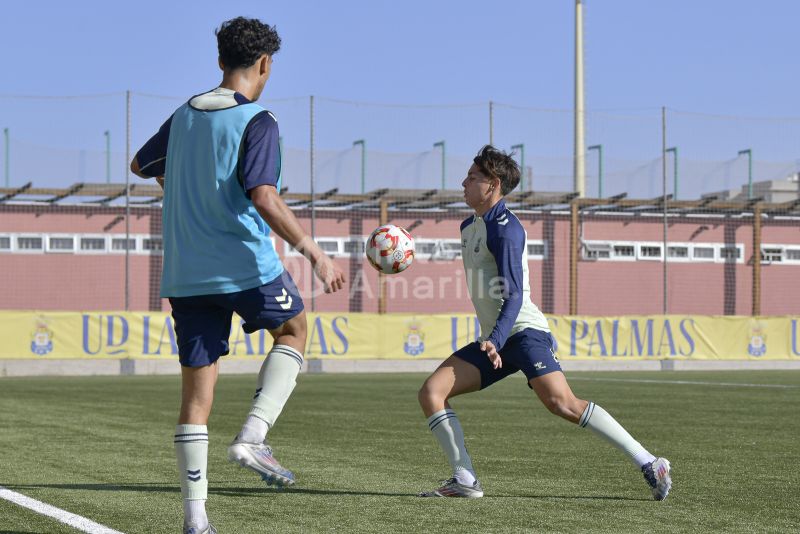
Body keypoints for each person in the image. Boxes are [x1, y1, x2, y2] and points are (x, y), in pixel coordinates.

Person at [131, 17, 346, 534]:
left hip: (185, 273)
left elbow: (142, 164)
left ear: (220, 60)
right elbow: (264, 195)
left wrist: (186, 184)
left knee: (196, 398)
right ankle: (253, 434)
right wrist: (314, 251)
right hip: (246, 265)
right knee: (295, 329)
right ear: (266, 64)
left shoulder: (185, 114)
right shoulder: (259, 120)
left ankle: (196, 519)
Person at [417, 145, 671, 500]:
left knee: (561, 403)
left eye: (472, 177)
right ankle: (465, 479)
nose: (463, 182)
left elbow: (515, 295)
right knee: (432, 392)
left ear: (492, 184)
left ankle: (649, 462)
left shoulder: (505, 229)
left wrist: (496, 337)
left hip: (522, 333)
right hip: (496, 339)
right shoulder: (468, 226)